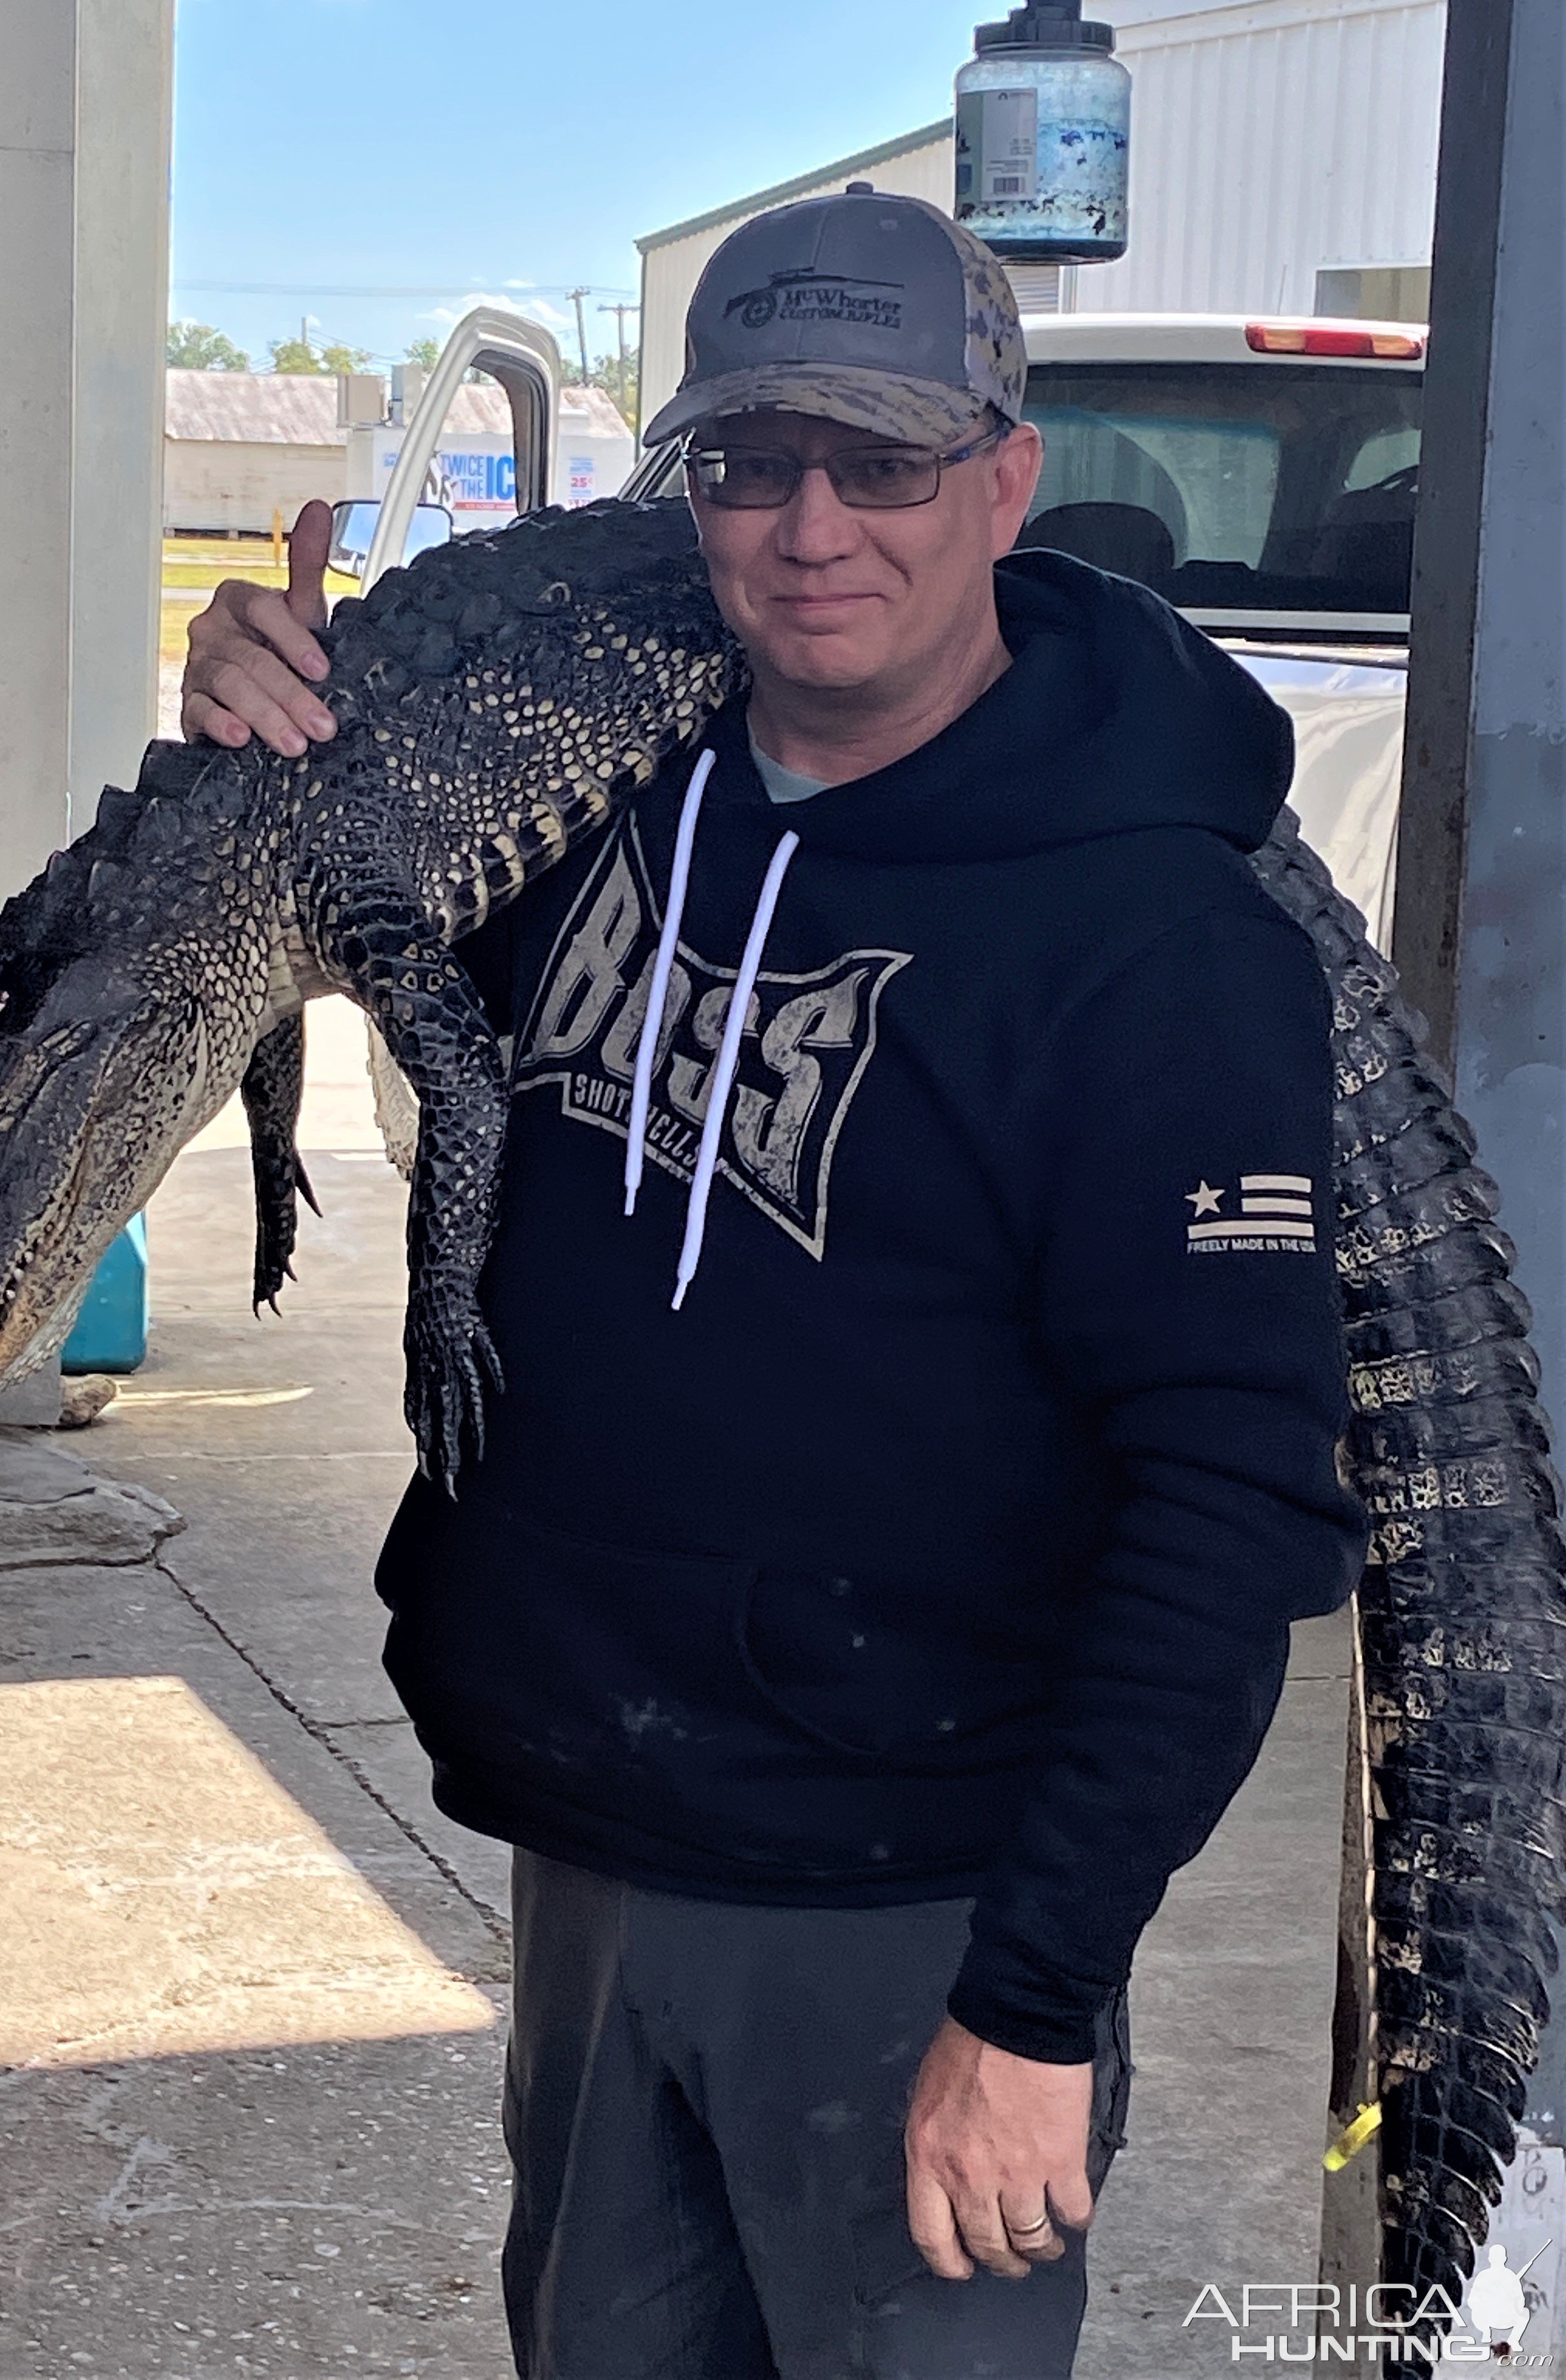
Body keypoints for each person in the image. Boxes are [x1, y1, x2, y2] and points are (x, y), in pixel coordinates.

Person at [183, 187, 1368, 2380]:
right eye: (749, 463)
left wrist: (1032, 2005)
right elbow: (326, 939)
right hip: (597, 1845)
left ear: (1004, 482)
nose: (815, 525)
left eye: (886, 460)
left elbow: (1234, 1508)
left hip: (919, 1913)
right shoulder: (587, 818)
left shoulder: (1158, 946)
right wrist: (258, 723)